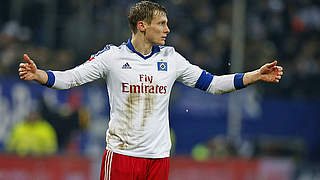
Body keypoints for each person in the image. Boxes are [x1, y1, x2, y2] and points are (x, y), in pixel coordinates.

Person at [18, 1, 283, 179]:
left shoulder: (172, 59)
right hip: (122, 156)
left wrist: (254, 75)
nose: (168, 29)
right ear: (142, 26)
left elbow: (213, 84)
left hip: (158, 159)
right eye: (162, 23)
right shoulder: (112, 57)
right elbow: (72, 78)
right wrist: (40, 75)